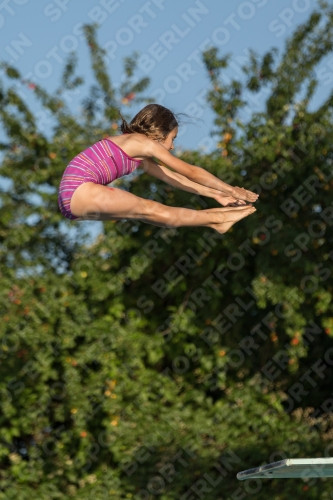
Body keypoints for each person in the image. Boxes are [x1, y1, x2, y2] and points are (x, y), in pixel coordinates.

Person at [58, 104, 258, 234]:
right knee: (147, 209)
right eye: (172, 138)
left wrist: (216, 194)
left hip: (72, 201)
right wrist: (231, 189)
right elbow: (190, 171)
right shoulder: (141, 142)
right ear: (160, 132)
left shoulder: (137, 152)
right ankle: (218, 219)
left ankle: (217, 219)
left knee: (149, 214)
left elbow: (173, 178)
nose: (172, 146)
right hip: (78, 189)